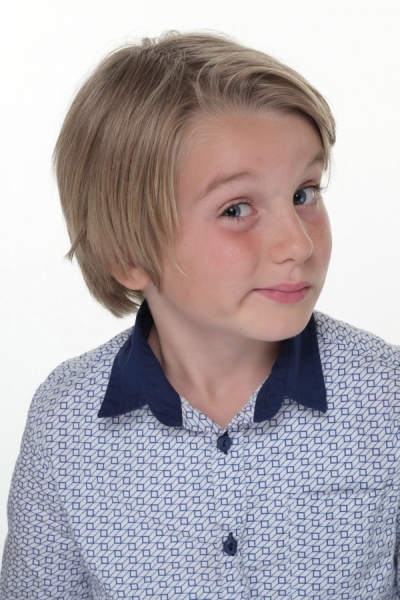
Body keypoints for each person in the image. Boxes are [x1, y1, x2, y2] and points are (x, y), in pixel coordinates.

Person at [1, 30, 399, 600]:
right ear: (129, 255)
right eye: (236, 209)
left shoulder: (386, 397)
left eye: (304, 193)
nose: (297, 243)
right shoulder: (66, 424)